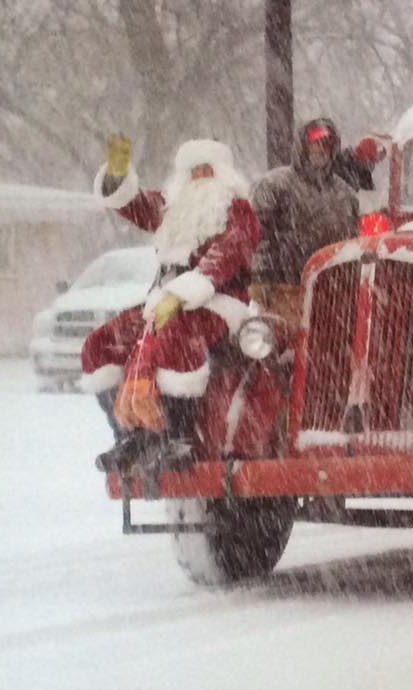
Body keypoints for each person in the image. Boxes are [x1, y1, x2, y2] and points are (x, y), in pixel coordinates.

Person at [81, 135, 260, 472]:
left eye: (207, 170)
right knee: (101, 343)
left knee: (177, 337)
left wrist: (185, 292)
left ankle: (180, 436)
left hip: (220, 301)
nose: (200, 178)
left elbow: (227, 254)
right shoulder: (173, 208)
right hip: (164, 303)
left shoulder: (238, 210)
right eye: (193, 171)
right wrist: (117, 179)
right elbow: (136, 205)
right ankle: (128, 435)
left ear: (223, 173)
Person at [250, 118, 359, 324]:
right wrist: (260, 280)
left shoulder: (346, 195)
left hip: (334, 296)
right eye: (314, 142)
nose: (320, 149)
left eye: (326, 143)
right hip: (287, 291)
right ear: (303, 145)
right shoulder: (275, 186)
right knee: (289, 341)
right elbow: (258, 237)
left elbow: (353, 243)